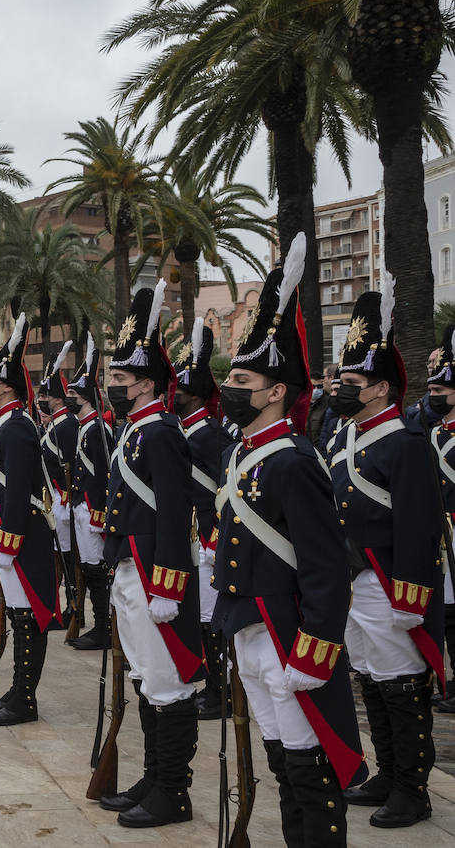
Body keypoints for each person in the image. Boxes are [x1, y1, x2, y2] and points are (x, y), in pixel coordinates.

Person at [212, 241, 365, 845]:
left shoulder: (294, 461)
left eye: (241, 379)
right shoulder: (239, 454)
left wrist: (317, 647)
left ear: (276, 391)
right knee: (282, 762)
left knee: (309, 768)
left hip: (289, 635)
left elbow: (325, 566)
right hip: (251, 626)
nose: (229, 387)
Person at [330, 282, 446, 828]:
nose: (339, 388)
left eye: (350, 382)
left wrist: (411, 597)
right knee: (371, 679)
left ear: (379, 389)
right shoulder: (345, 439)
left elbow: (421, 529)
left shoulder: (403, 443)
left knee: (400, 686)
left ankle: (412, 788)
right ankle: (386, 771)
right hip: (353, 582)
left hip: (387, 583)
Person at [100, 281, 204, 829]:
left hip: (154, 576)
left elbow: (170, 512)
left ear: (144, 383)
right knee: (146, 678)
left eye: (119, 379)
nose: (111, 387)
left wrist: (167, 585)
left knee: (167, 683)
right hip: (130, 569)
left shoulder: (160, 432)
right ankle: (153, 775)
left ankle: (173, 790)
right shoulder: (135, 430)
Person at [0, 315, 61, 723]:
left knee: (29, 619)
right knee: (18, 616)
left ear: (7, 384)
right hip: (13, 537)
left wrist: (8, 543)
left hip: (24, 538)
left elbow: (17, 492)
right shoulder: (9, 424)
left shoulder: (17, 427)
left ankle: (25, 699)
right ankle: (17, 690)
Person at [172, 319, 234, 721]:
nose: (173, 395)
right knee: (200, 616)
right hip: (195, 537)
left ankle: (221, 692)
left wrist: (213, 539)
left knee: (211, 619)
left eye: (180, 390)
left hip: (209, 538)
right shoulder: (185, 432)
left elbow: (221, 493)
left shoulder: (209, 434)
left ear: (195, 396)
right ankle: (211, 685)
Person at [65, 328, 113, 651]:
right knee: (87, 568)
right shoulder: (85, 428)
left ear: (84, 397)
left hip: (92, 510)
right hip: (81, 507)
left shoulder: (98, 429)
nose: (68, 396)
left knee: (96, 571)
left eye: (73, 393)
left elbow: (101, 476)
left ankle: (104, 627)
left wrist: (97, 513)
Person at [35, 342, 79, 626]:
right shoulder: (54, 425)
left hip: (63, 504)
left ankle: (74, 610)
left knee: (67, 562)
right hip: (52, 503)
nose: (42, 400)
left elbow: (72, 467)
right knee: (55, 563)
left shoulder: (67, 425)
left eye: (46, 395)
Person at [426, 329, 455, 714]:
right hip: (443, 532)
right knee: (448, 612)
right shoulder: (433, 433)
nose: (433, 397)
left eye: (441, 392)